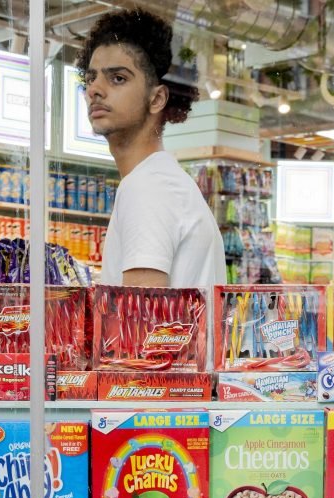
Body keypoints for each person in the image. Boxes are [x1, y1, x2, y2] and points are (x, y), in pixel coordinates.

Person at [76, 8, 226, 289]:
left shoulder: (147, 186)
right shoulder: (162, 180)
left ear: (157, 98)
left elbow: (142, 326)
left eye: (118, 78)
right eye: (90, 78)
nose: (95, 89)